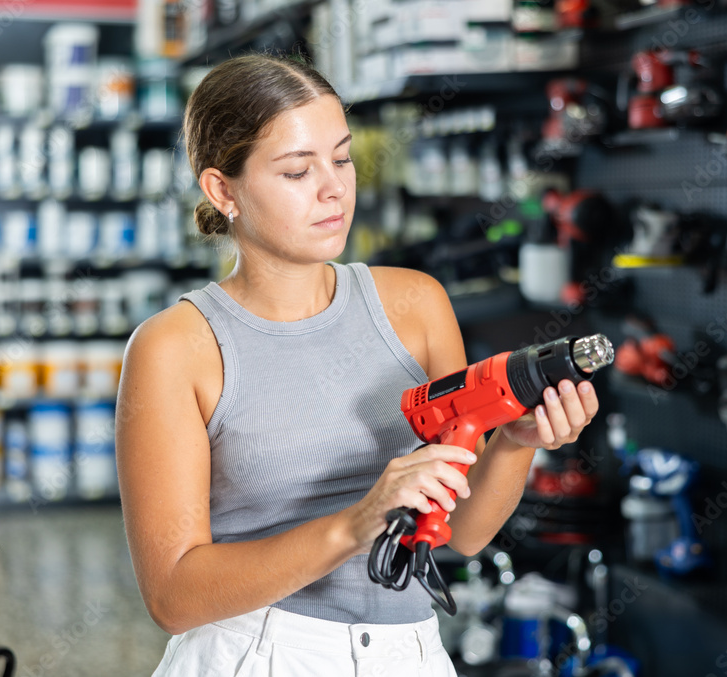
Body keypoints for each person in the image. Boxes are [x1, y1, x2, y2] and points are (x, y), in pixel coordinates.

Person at [115, 53, 599, 677]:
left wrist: (516, 442)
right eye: (297, 171)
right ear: (222, 189)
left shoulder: (415, 303)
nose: (334, 188)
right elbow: (173, 596)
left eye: (341, 158)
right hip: (258, 653)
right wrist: (357, 524)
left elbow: (463, 533)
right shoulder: (175, 347)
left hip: (410, 651)